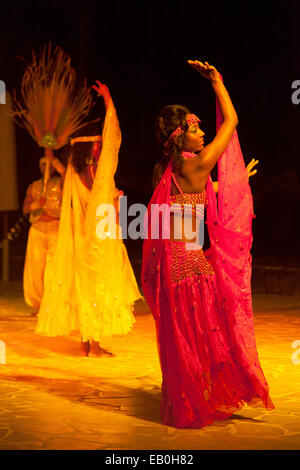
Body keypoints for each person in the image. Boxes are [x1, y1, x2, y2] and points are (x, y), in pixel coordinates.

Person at [142, 60, 275, 428]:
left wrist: (230, 181)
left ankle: (188, 396)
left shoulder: (172, 169)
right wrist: (218, 82)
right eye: (197, 129)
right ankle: (201, 398)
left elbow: (194, 198)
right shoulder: (197, 164)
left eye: (202, 129)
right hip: (189, 265)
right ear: (180, 137)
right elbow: (231, 122)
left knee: (186, 336)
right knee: (204, 334)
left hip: (174, 264)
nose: (202, 134)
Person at [36, 81, 142, 357]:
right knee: (97, 289)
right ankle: (93, 345)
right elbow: (113, 139)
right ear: (90, 151)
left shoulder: (76, 175)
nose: (101, 147)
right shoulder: (98, 175)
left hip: (81, 241)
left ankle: (86, 343)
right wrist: (109, 101)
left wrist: (112, 197)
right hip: (98, 242)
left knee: (85, 290)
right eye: (97, 146)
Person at [23, 153, 65, 314]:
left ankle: (52, 303)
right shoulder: (33, 186)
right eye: (43, 165)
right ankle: (40, 305)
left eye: (49, 165)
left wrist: (53, 157)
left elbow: (65, 174)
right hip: (38, 229)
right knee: (37, 268)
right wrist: (35, 204)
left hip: (55, 227)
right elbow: (25, 208)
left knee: (52, 268)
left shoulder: (61, 183)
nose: (46, 168)